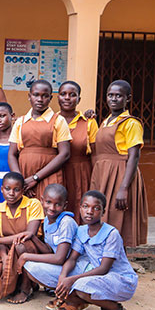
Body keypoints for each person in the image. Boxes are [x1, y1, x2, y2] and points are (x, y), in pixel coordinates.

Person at [54, 190, 138, 310]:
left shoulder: (111, 234)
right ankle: (100, 306)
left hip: (121, 279)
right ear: (80, 208)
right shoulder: (81, 231)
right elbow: (72, 259)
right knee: (68, 278)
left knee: (81, 286)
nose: (89, 211)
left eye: (96, 208)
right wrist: (63, 277)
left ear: (103, 212)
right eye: (85, 206)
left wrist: (72, 280)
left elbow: (104, 268)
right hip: (100, 278)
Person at [90, 80, 148, 247]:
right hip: (103, 173)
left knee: (117, 217)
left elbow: (134, 155)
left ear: (127, 98)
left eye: (118, 96)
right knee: (102, 214)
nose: (113, 99)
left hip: (120, 173)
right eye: (110, 95)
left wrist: (124, 187)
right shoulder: (106, 121)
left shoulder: (131, 123)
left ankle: (117, 261)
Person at [0, 172, 45, 301]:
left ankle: (26, 288)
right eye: (7, 189)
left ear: (23, 190)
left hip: (30, 248)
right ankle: (12, 287)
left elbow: (29, 234)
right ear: (2, 189)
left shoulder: (33, 204)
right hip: (8, 250)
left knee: (20, 245)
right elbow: (0, 243)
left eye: (17, 189)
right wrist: (4, 257)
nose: (11, 193)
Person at [8, 79, 72, 200]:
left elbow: (65, 153)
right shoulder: (20, 122)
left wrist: (35, 178)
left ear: (50, 98)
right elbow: (12, 154)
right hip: (24, 176)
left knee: (49, 210)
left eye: (45, 96)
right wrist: (20, 181)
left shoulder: (58, 120)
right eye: (36, 95)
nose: (40, 99)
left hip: (49, 174)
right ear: (29, 96)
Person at [18, 183, 79, 306]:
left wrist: (25, 256)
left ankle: (74, 297)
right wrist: (33, 237)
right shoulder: (47, 220)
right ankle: (64, 293)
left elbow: (59, 258)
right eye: (48, 202)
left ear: (65, 205)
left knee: (31, 267)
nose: (52, 207)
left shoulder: (66, 222)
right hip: (62, 266)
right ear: (42, 201)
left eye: (58, 204)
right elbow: (49, 251)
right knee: (30, 267)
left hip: (74, 267)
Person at [57, 80, 98, 216]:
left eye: (72, 94)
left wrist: (95, 181)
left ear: (79, 99)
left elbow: (95, 155)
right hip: (56, 172)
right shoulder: (51, 121)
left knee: (80, 208)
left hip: (81, 173)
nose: (67, 98)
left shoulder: (88, 122)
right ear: (57, 97)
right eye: (63, 94)